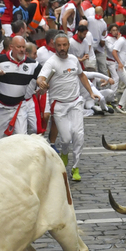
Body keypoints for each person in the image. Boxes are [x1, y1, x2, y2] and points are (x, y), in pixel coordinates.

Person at [36, 33, 100, 181]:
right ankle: (64, 153)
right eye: (59, 45)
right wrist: (41, 82)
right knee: (65, 139)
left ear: (68, 45)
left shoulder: (73, 60)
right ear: (54, 45)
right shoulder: (51, 62)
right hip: (59, 105)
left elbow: (82, 75)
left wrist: (91, 93)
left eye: (64, 45)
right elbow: (41, 77)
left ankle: (75, 167)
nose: (62, 48)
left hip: (76, 102)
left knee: (78, 135)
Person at [0, 35, 41, 139]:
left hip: (19, 106)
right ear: (11, 47)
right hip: (0, 107)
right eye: (18, 47)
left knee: (22, 138)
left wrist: (42, 83)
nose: (22, 50)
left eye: (23, 47)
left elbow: (42, 77)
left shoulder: (33, 64)